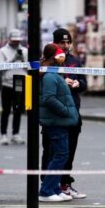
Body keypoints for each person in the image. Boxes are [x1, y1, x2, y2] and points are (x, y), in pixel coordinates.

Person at [40, 27, 88, 199]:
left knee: (67, 152)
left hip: (72, 111)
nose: (66, 46)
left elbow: (84, 82)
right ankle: (48, 186)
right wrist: (62, 82)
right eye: (62, 42)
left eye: (68, 42)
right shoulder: (47, 63)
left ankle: (64, 184)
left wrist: (77, 84)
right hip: (56, 115)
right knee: (53, 152)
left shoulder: (74, 60)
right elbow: (46, 93)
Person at [38, 44, 79, 202]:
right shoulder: (49, 75)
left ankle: (54, 188)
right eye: (60, 55)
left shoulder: (53, 72)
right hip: (55, 121)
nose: (63, 57)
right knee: (60, 155)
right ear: (53, 57)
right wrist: (66, 111)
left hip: (57, 120)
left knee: (59, 154)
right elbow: (49, 98)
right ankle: (47, 191)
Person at [0, 29, 27, 145]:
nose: (16, 43)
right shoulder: (2, 51)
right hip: (7, 83)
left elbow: (30, 67)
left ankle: (16, 133)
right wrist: (13, 59)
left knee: (18, 109)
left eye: (18, 41)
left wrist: (23, 59)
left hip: (20, 81)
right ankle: (3, 134)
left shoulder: (24, 51)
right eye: (14, 41)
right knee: (6, 109)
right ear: (9, 39)